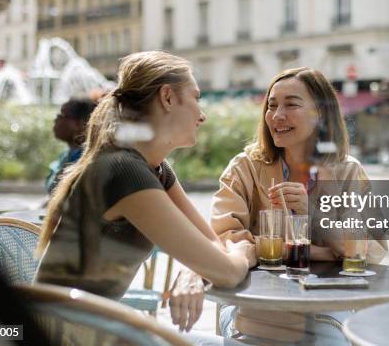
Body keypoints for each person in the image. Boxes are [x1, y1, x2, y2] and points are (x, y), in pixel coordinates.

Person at [34, 51, 255, 341]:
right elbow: (227, 272)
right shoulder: (124, 170)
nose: (203, 115)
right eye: (196, 98)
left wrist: (194, 270)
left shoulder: (155, 169)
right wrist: (245, 251)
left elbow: (212, 244)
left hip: (93, 329)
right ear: (167, 97)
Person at [210, 67, 388, 342]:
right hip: (251, 304)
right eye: (271, 106)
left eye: (291, 104)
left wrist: (314, 215)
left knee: (330, 341)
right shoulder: (244, 167)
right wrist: (319, 252)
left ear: (321, 114)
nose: (277, 116)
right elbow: (224, 240)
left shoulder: (347, 172)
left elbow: (370, 250)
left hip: (325, 305)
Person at [45, 98, 97, 194]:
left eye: (62, 115)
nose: (56, 119)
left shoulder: (89, 160)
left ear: (81, 123)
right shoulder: (67, 154)